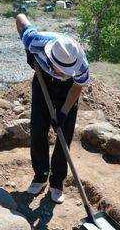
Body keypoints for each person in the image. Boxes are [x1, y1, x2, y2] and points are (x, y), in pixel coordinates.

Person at [15, 14, 91, 203]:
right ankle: (40, 176)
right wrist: (28, 51)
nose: (62, 73)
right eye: (60, 69)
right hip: (43, 82)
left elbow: (77, 87)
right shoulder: (36, 42)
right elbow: (20, 18)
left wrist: (63, 112)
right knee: (38, 129)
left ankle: (57, 183)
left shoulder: (81, 67)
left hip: (68, 90)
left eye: (66, 71)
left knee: (64, 134)